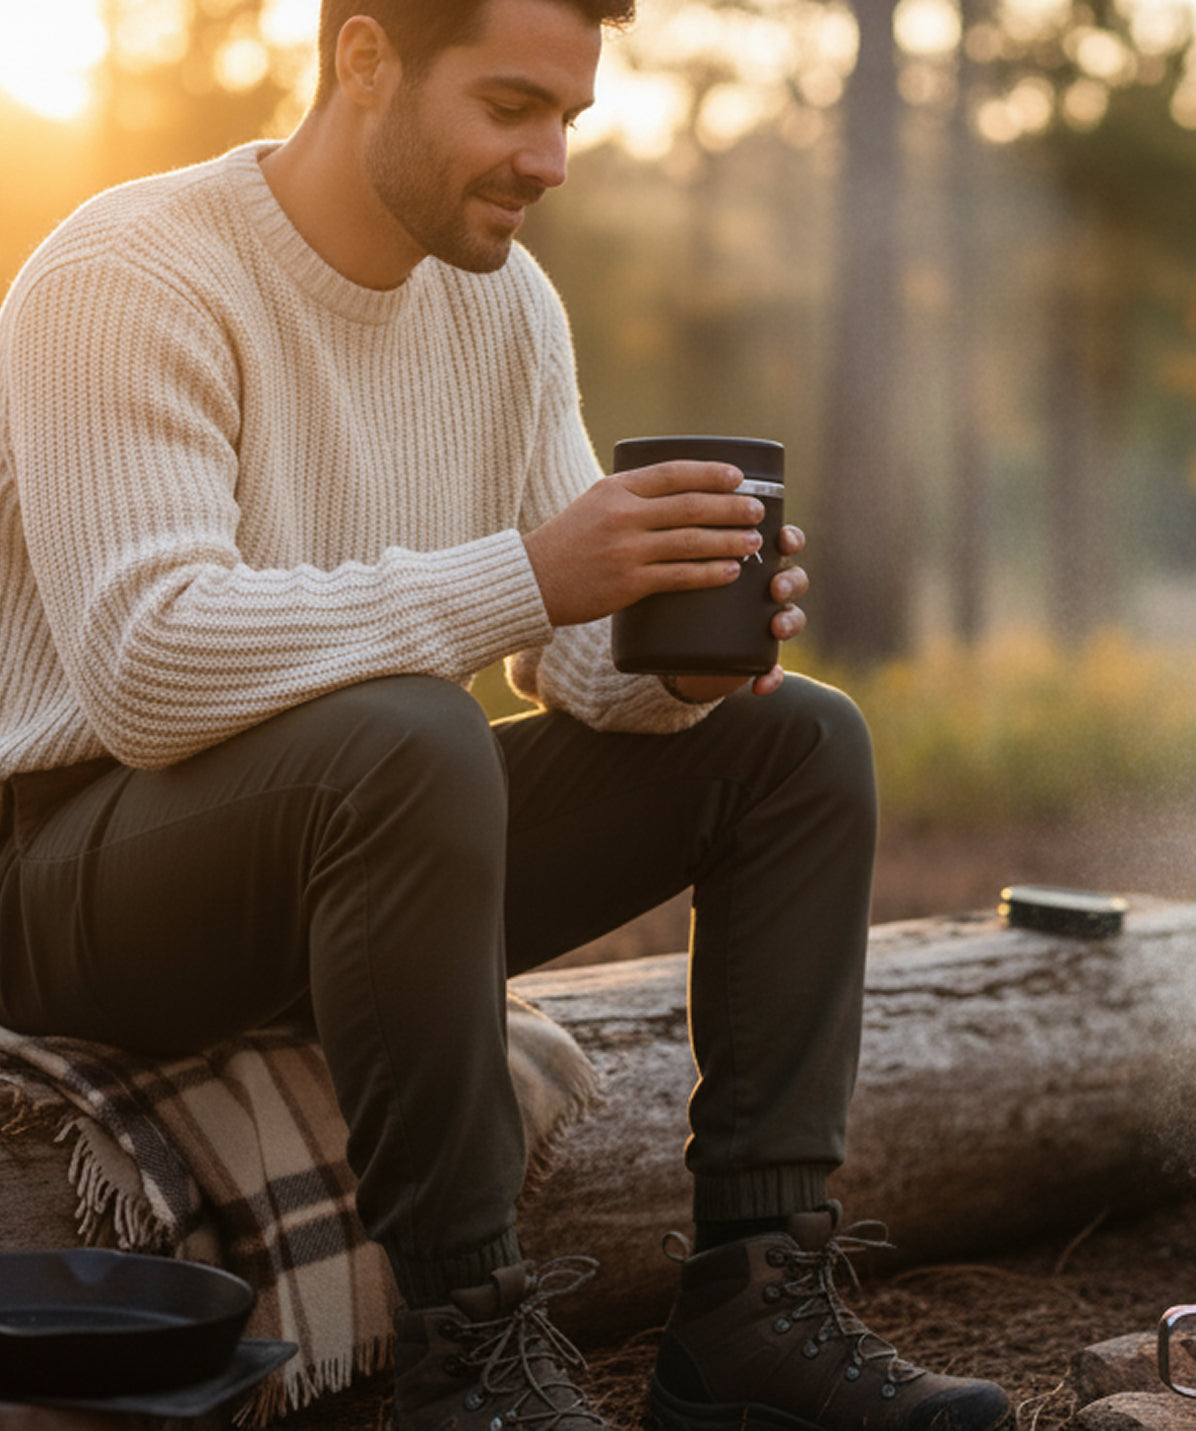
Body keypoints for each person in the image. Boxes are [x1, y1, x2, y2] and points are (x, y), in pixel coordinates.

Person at [0, 1, 1010, 1428]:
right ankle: (470, 1353)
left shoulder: (501, 302)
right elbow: (148, 668)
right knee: (411, 733)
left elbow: (566, 659)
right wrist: (534, 571)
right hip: (70, 881)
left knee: (796, 743)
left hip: (364, 855)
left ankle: (754, 1317)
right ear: (365, 62)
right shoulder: (127, 271)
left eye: (571, 119)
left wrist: (674, 658)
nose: (550, 159)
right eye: (512, 105)